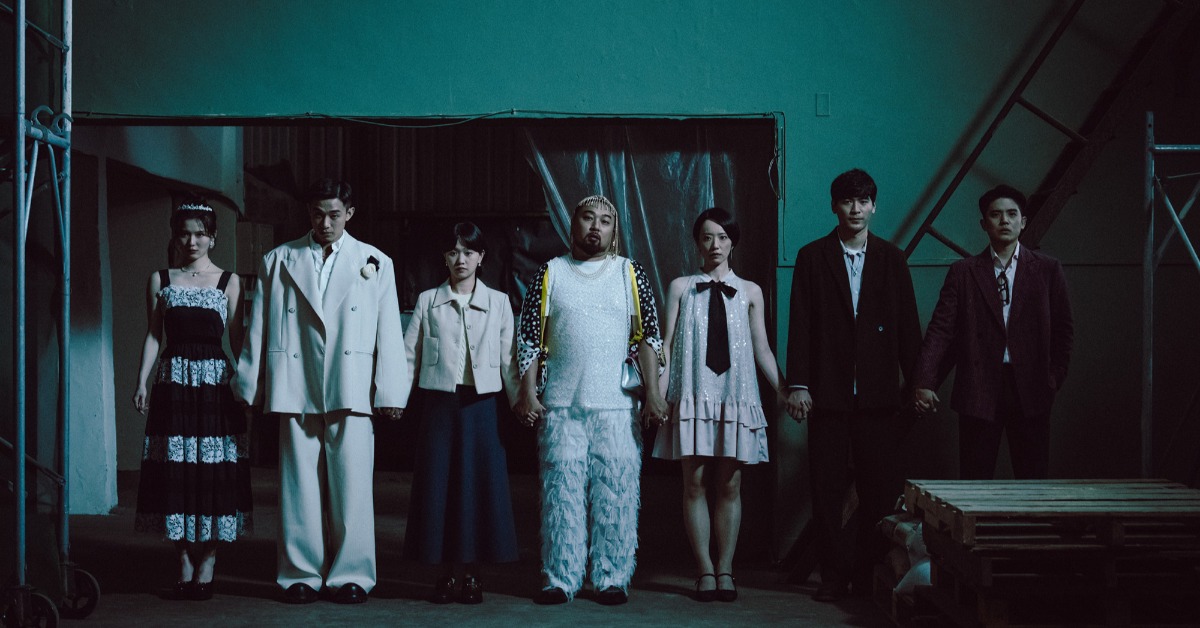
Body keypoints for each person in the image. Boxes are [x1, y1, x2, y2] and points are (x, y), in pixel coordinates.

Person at [234, 178, 407, 605]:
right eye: (317, 214)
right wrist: (250, 382)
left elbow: (389, 330)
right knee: (297, 487)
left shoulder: (375, 262)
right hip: (295, 380)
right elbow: (259, 326)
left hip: (351, 383)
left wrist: (390, 391)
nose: (325, 223)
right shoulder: (279, 259)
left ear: (350, 213)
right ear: (308, 214)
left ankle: (353, 574)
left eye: (333, 214)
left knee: (353, 486)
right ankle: (300, 574)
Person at [513, 195, 667, 606]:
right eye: (588, 218)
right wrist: (527, 392)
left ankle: (612, 577)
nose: (595, 226)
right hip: (561, 406)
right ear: (574, 224)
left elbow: (649, 337)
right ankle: (560, 578)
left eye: (605, 220)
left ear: (614, 231)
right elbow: (529, 338)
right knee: (561, 494)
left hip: (617, 406)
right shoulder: (551, 272)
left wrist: (654, 395)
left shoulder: (629, 273)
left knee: (616, 493)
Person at [786, 168, 922, 602]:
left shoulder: (892, 258)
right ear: (834, 206)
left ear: (874, 206)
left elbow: (907, 327)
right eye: (848, 201)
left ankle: (866, 575)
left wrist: (919, 383)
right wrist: (799, 384)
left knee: (878, 491)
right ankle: (832, 576)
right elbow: (800, 325)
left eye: (863, 201)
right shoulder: (812, 256)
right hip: (828, 393)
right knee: (825, 489)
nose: (856, 209)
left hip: (879, 396)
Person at [652, 208, 798, 602]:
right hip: (693, 393)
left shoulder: (750, 291)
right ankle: (704, 569)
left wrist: (785, 390)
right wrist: (658, 395)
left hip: (735, 394)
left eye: (722, 237)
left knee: (730, 484)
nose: (714, 245)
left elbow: (762, 348)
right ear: (697, 243)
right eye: (706, 237)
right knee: (694, 482)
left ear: (733, 242)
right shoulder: (681, 287)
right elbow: (665, 346)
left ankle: (726, 570)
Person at [132, 200, 252, 601]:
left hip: (216, 383)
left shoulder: (229, 281)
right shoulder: (161, 279)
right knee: (175, 468)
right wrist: (142, 381)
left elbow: (237, 338)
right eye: (184, 233)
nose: (192, 241)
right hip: (174, 381)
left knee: (216, 471)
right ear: (175, 237)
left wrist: (247, 383)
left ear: (212, 238)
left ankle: (209, 559)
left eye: (200, 233)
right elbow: (154, 334)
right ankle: (183, 557)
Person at [912, 184, 1073, 480]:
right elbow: (940, 330)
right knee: (975, 479)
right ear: (983, 224)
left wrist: (1053, 378)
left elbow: (1063, 331)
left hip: (1032, 388)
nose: (1004, 221)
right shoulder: (964, 271)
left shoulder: (1047, 269)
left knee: (1034, 479)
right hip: (979, 387)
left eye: (1012, 214)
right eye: (996, 215)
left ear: (1023, 222)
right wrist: (924, 380)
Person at [402, 222, 520, 604]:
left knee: (477, 489)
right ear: (444, 257)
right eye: (453, 252)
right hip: (439, 407)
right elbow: (409, 355)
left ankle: (472, 574)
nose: (461, 260)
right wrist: (395, 399)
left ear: (481, 257)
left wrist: (521, 402)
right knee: (440, 488)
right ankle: (445, 574)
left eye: (468, 252)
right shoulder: (427, 301)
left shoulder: (499, 302)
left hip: (481, 408)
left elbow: (509, 360)